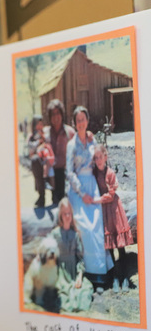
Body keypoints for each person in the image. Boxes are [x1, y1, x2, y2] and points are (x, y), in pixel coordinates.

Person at [66, 106, 111, 284]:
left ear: (87, 120)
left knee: (96, 223)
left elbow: (101, 158)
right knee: (83, 225)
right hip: (77, 189)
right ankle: (84, 269)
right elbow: (69, 172)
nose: (81, 123)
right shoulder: (71, 144)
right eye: (78, 120)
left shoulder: (92, 141)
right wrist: (81, 192)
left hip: (92, 185)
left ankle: (99, 269)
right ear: (75, 123)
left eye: (83, 119)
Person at [91, 143, 134, 293]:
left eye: (100, 157)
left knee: (120, 245)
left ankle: (125, 278)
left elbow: (110, 194)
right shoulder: (95, 174)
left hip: (114, 210)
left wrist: (97, 200)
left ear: (105, 157)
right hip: (104, 212)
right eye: (96, 158)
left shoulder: (110, 172)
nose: (98, 160)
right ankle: (115, 277)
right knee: (109, 247)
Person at [49, 198, 94, 314]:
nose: (67, 216)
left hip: (74, 271)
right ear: (60, 215)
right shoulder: (55, 234)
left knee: (84, 291)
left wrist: (79, 277)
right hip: (61, 272)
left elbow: (80, 258)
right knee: (61, 294)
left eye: (69, 213)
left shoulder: (75, 234)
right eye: (64, 213)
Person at [45, 99, 76, 207]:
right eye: (53, 114)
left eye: (58, 113)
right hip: (50, 171)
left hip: (65, 172)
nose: (55, 117)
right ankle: (42, 196)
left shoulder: (70, 132)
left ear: (62, 114)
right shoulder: (46, 133)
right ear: (49, 117)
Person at [27, 117, 54, 208]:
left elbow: (48, 142)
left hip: (46, 158)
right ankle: (41, 196)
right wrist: (38, 142)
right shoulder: (32, 137)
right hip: (38, 160)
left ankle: (45, 194)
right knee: (36, 165)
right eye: (38, 124)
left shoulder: (44, 133)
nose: (40, 126)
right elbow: (30, 148)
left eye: (41, 124)